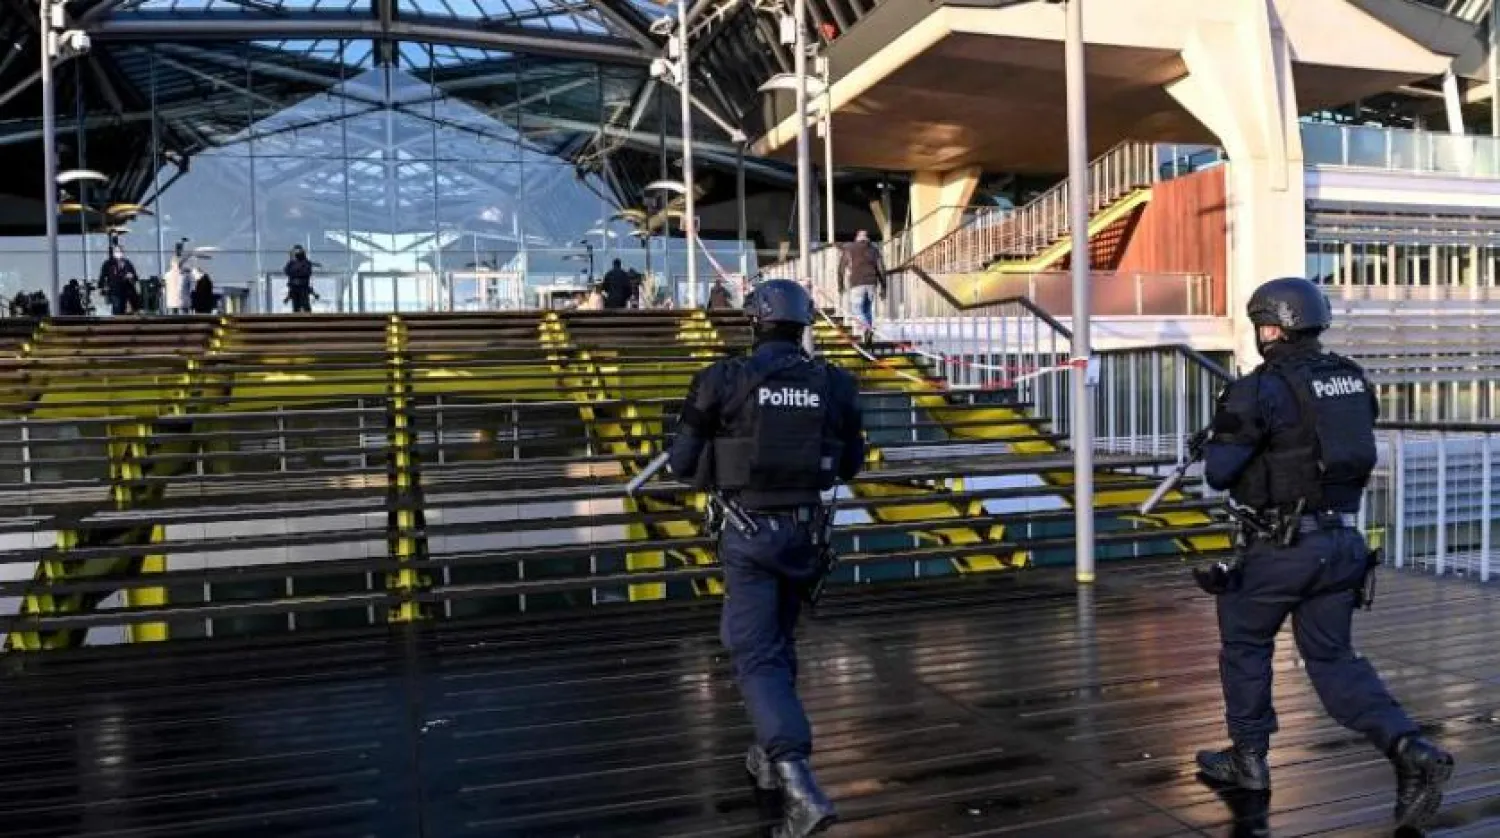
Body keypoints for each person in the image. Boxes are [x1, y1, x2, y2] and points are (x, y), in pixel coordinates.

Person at [1194, 276, 1453, 830]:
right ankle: (1409, 748)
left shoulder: (1257, 387)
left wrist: (1221, 434)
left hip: (1280, 550)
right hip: (1340, 544)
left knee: (1244, 643)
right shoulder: (1350, 379)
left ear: (1270, 328)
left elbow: (1220, 473)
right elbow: (1318, 443)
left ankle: (1248, 759)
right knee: (1334, 662)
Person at [667, 278, 865, 838]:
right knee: (778, 647)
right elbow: (851, 465)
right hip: (804, 539)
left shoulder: (721, 379)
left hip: (749, 538)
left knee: (755, 656)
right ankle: (768, 757)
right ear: (805, 325)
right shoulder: (836, 384)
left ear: (755, 322)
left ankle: (801, 787)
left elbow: (681, 463)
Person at [836, 230, 885, 344]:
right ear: (867, 239)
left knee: (857, 310)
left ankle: (867, 329)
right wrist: (884, 287)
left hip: (857, 283)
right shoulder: (874, 250)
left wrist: (840, 285)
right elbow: (881, 269)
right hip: (872, 283)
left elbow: (841, 269)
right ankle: (868, 334)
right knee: (867, 309)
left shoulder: (850, 249)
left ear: (857, 238)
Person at [284, 245, 316, 313]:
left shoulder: (306, 263)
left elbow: (306, 273)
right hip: (294, 288)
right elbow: (287, 271)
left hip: (303, 288)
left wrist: (296, 274)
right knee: (296, 307)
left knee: (305, 306)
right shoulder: (291, 263)